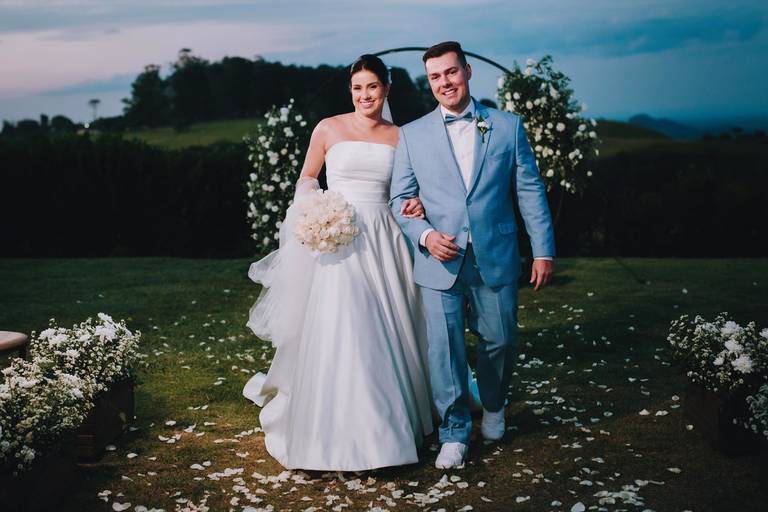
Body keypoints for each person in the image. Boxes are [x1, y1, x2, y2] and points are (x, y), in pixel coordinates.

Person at [243, 54, 433, 471]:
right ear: (350, 91)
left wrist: (416, 204)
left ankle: (391, 421)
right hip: (338, 237)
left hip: (383, 237)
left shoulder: (402, 137)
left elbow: (409, 190)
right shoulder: (328, 128)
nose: (365, 95)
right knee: (347, 322)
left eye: (372, 86)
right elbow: (308, 177)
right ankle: (338, 428)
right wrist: (314, 210)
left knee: (393, 320)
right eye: (357, 88)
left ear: (386, 89)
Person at [390, 41, 555, 469]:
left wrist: (543, 250)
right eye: (435, 76)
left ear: (467, 71)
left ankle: (495, 408)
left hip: (494, 254)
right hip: (438, 261)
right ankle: (454, 432)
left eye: (451, 72)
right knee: (445, 350)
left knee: (501, 340)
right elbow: (399, 199)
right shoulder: (411, 134)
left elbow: (529, 190)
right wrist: (425, 235)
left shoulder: (507, 127)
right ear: (429, 82)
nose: (444, 82)